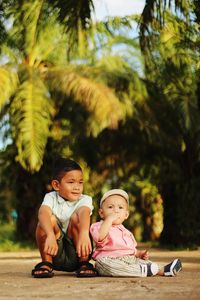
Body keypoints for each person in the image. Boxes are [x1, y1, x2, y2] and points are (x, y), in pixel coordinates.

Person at [90, 189, 182, 277]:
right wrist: (109, 219)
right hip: (108, 260)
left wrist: (139, 254)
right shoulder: (99, 226)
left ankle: (164, 270)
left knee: (141, 262)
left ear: (126, 215)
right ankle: (142, 270)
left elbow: (130, 250)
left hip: (129, 259)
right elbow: (99, 237)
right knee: (110, 266)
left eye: (120, 207)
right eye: (110, 207)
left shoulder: (126, 232)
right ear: (101, 213)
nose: (116, 210)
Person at [32, 157, 98, 278]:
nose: (77, 187)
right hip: (53, 252)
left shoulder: (85, 199)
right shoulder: (51, 197)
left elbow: (84, 212)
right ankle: (46, 263)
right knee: (47, 220)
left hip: (77, 252)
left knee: (76, 218)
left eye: (80, 182)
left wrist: (84, 233)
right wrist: (50, 235)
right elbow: (43, 212)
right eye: (71, 182)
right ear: (56, 185)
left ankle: (84, 263)